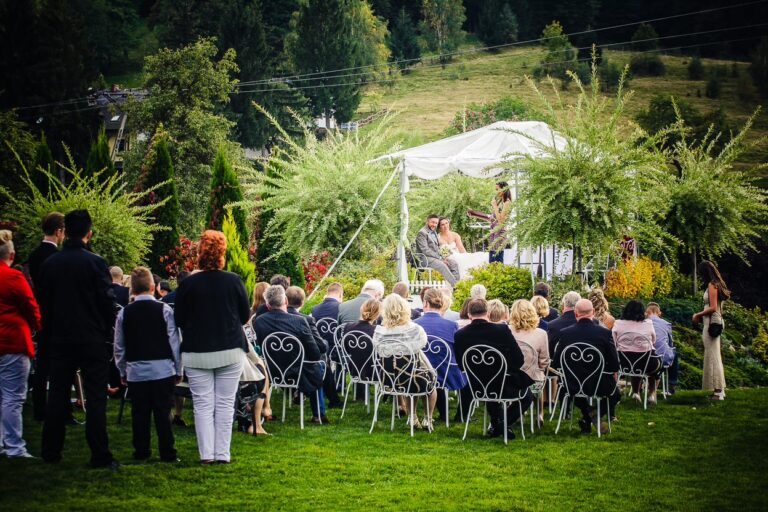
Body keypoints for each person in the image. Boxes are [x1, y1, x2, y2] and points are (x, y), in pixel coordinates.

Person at [38, 210, 119, 468]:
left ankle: (51, 450)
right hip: (91, 337)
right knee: (96, 396)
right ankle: (99, 452)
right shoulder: (95, 263)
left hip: (60, 337)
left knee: (58, 393)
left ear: (65, 232)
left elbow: (44, 303)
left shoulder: (51, 265)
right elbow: (107, 303)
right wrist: (105, 331)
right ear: (88, 233)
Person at [174, 230, 250, 464]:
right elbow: (245, 315)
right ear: (222, 253)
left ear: (199, 253)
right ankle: (222, 454)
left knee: (203, 404)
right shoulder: (233, 281)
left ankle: (206, 454)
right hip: (230, 348)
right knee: (226, 404)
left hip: (197, 351)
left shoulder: (188, 284)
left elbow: (179, 319)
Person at [113, 267, 181, 463]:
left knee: (139, 413)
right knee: (163, 412)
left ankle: (141, 451)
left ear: (132, 289)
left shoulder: (125, 313)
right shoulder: (165, 310)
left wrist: (122, 369)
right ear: (154, 287)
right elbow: (174, 342)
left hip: (136, 370)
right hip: (163, 369)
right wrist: (178, 369)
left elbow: (120, 345)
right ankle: (167, 452)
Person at [454, 299, 532, 439]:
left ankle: (497, 424)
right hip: (502, 384)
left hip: (475, 386)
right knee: (527, 395)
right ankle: (504, 423)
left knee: (492, 392)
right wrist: (505, 369)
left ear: (469, 314)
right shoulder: (501, 330)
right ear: (488, 313)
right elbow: (518, 359)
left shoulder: (460, 335)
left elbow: (461, 365)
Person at [253, 285, 327, 424]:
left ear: (268, 305)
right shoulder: (299, 321)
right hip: (298, 373)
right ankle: (318, 415)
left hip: (271, 373)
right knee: (318, 365)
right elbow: (315, 353)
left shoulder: (259, 321)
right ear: (285, 301)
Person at [0, 230, 41, 458]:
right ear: (12, 255)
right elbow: (30, 305)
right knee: (13, 397)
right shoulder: (13, 277)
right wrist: (37, 326)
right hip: (13, 340)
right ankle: (14, 446)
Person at [553, 299, 620, 434]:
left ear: (576, 314)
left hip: (572, 383)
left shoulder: (565, 333)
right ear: (593, 312)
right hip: (598, 383)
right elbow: (614, 364)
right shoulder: (604, 333)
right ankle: (592, 414)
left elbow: (557, 363)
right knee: (615, 394)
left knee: (573, 390)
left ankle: (587, 416)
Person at [372, 294, 437, 431]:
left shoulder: (379, 332)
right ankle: (427, 418)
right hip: (411, 378)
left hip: (388, 379)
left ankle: (412, 416)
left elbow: (378, 351)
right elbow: (422, 344)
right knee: (430, 379)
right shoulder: (414, 329)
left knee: (410, 376)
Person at [26, 212, 65, 422]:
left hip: (41, 312)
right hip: (57, 313)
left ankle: (40, 408)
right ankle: (60, 408)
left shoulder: (34, 255)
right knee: (61, 363)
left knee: (42, 364)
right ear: (59, 231)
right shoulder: (55, 257)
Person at [414, 289, 468, 422]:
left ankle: (443, 414)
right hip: (446, 372)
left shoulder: (414, 324)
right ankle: (460, 415)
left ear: (425, 303)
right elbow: (457, 350)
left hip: (420, 371)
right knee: (467, 374)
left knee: (434, 370)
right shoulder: (452, 325)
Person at [286, 285, 336, 413]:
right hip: (302, 368)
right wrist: (324, 343)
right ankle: (328, 404)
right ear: (302, 302)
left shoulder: (268, 319)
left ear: (285, 300)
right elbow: (320, 347)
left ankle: (299, 392)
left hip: (277, 368)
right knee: (321, 361)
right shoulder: (306, 320)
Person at [693, 260, 730, 401]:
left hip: (711, 322)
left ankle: (719, 392)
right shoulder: (717, 284)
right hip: (714, 321)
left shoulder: (712, 285)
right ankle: (719, 390)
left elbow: (714, 307)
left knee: (713, 356)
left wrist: (697, 315)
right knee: (714, 355)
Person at [612, 300, 662, 404]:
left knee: (635, 364)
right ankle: (652, 394)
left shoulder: (618, 323)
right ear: (642, 312)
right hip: (647, 363)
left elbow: (613, 342)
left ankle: (636, 392)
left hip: (624, 363)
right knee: (653, 363)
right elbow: (653, 341)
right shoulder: (648, 323)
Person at [510, 299, 549, 384]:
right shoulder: (541, 333)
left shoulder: (506, 330)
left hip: (510, 380)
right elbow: (544, 362)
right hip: (533, 380)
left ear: (513, 314)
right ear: (532, 312)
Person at [414, 214, 460, 287]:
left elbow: (437, 247)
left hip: (434, 258)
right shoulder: (422, 233)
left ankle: (455, 287)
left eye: (436, 223)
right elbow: (426, 250)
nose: (434, 224)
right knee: (442, 265)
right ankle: (457, 286)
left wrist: (443, 257)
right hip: (424, 259)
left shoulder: (434, 232)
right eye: (432, 222)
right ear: (427, 221)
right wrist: (439, 258)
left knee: (453, 263)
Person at [646, 302, 678, 394]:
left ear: (646, 312)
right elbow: (670, 343)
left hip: (643, 358)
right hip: (661, 358)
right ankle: (672, 385)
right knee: (674, 353)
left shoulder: (642, 323)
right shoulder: (666, 324)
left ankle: (639, 389)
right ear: (659, 313)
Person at [547, 291, 581, 357]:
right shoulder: (589, 324)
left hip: (559, 365)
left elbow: (549, 351)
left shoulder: (552, 325)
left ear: (564, 304)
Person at [489, 182, 512, 263]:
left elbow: (501, 221)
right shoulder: (500, 203)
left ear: (504, 189)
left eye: (497, 189)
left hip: (499, 235)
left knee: (497, 261)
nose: (496, 192)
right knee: (492, 262)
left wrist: (494, 206)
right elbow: (494, 219)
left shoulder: (507, 203)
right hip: (494, 234)